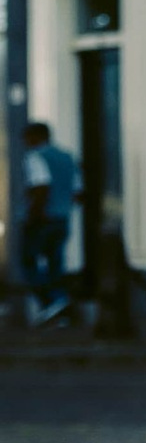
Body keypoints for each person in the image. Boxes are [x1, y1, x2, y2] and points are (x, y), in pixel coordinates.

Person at [20, 122, 78, 322]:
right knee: (56, 261)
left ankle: (52, 301)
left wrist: (34, 214)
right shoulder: (67, 157)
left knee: (28, 259)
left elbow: (41, 186)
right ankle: (59, 302)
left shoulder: (35, 157)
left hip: (44, 217)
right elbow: (78, 191)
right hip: (62, 217)